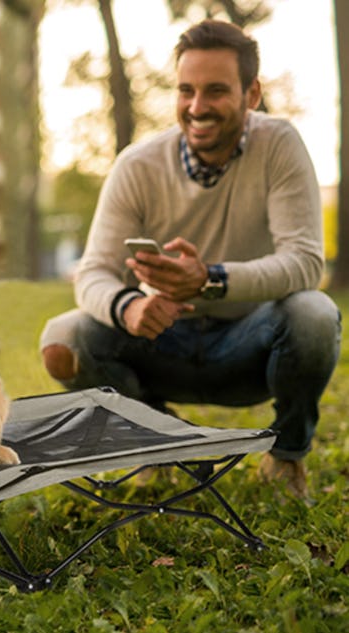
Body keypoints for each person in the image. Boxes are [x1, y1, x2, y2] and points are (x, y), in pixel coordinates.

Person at [39, 19, 342, 500]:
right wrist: (129, 308)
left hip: (249, 347)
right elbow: (93, 271)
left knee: (315, 316)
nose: (197, 108)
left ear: (252, 93)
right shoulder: (137, 165)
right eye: (186, 90)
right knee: (63, 338)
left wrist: (210, 279)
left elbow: (306, 263)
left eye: (216, 91)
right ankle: (157, 443)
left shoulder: (279, 145)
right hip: (162, 344)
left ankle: (286, 456)